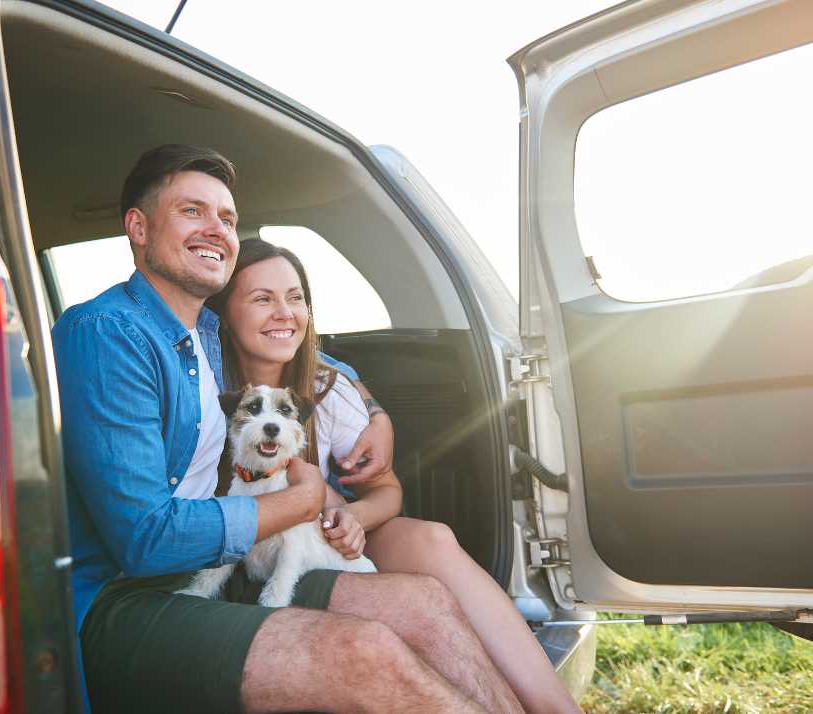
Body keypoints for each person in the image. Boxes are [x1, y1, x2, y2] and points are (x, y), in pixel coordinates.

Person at [52, 144, 524, 713]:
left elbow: (299, 355)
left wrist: (374, 408)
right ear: (139, 226)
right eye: (192, 211)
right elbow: (146, 538)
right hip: (130, 594)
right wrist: (302, 502)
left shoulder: (207, 333)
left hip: (223, 565)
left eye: (226, 218)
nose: (216, 229)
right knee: (364, 651)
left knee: (425, 603)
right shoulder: (109, 333)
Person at [207, 237, 582, 714]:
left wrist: (355, 518)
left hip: (324, 539)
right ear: (223, 315)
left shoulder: (327, 388)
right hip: (248, 550)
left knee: (431, 539)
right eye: (262, 299)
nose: (284, 312)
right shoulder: (205, 389)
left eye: (295, 297)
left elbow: (387, 491)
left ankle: (556, 706)